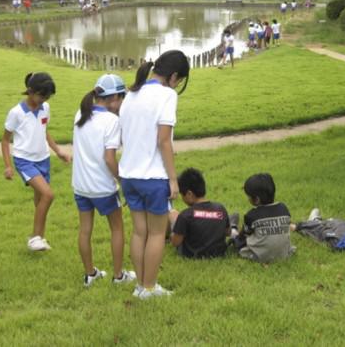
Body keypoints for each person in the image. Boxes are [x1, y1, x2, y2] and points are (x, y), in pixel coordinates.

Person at [119, 50, 190, 299]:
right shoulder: (167, 95)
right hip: (153, 177)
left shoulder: (131, 93)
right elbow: (164, 140)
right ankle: (149, 288)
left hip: (128, 175)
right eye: (179, 81)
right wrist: (173, 179)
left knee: (140, 232)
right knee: (158, 233)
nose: (177, 85)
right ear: (173, 76)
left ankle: (141, 285)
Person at [72, 74, 136, 287]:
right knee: (117, 229)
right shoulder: (112, 121)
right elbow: (109, 158)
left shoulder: (80, 113)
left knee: (85, 230)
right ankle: (118, 276)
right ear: (115, 97)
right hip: (103, 188)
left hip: (81, 186)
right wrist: (123, 181)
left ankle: (89, 274)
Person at [1, 72, 71, 251]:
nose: (44, 100)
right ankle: (35, 238)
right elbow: (5, 140)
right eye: (42, 95)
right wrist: (8, 166)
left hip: (43, 159)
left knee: (40, 201)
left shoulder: (45, 108)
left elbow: (44, 130)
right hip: (25, 161)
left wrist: (58, 151)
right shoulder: (16, 113)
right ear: (30, 91)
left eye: (47, 97)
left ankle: (39, 238)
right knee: (48, 195)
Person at [229, 173, 295, 263]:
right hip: (284, 254)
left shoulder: (252, 215)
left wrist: (237, 238)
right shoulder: (283, 208)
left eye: (248, 197)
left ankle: (233, 227)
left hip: (259, 256)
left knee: (237, 241)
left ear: (256, 199)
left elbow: (244, 235)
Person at [168, 168, 230, 259]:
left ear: (189, 194)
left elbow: (175, 242)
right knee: (233, 217)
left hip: (191, 253)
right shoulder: (220, 209)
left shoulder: (186, 215)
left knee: (173, 214)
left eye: (182, 195)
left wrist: (172, 234)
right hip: (218, 252)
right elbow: (228, 232)